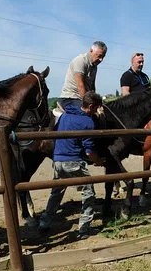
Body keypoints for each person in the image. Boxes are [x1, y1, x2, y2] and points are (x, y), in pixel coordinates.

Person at [38, 91, 105, 239]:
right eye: (95, 109)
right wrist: (98, 161)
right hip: (73, 162)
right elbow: (89, 153)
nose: (96, 112)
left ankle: (44, 222)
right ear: (91, 106)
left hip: (57, 161)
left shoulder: (65, 115)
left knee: (56, 193)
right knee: (89, 192)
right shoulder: (88, 122)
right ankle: (84, 228)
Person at [57, 41, 107, 110]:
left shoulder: (94, 67)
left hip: (82, 98)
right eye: (99, 56)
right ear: (91, 51)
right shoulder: (80, 61)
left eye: (103, 57)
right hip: (70, 98)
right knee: (89, 113)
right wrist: (90, 104)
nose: (101, 60)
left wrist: (97, 101)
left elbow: (92, 87)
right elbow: (80, 86)